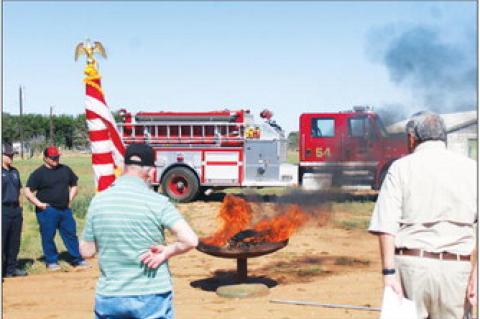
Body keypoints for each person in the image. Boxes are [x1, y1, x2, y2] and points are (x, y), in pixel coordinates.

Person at [369, 111, 477, 319]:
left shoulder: (400, 168)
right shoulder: (472, 169)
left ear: (411, 138)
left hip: (411, 269)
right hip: (457, 272)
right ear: (443, 137)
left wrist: (389, 274)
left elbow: (386, 226)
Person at [80, 143, 198, 319]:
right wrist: (166, 252)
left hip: (110, 295)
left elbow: (86, 251)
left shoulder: (98, 201)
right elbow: (191, 240)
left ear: (124, 167)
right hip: (151, 294)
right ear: (149, 171)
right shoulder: (158, 202)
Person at [24, 146, 86, 271]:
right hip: (48, 210)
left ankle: (77, 259)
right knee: (48, 236)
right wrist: (39, 204)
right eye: (52, 158)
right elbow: (27, 191)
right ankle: (51, 261)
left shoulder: (65, 169)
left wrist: (69, 199)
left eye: (57, 157)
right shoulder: (38, 174)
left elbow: (74, 185)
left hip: (64, 209)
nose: (55, 159)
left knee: (71, 234)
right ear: (45, 158)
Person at [2, 143, 28, 278]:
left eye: (12, 154)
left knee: (14, 241)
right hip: (3, 210)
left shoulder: (14, 171)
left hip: (15, 211)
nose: (11, 157)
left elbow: (19, 190)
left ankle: (11, 270)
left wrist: (20, 207)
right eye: (8, 154)